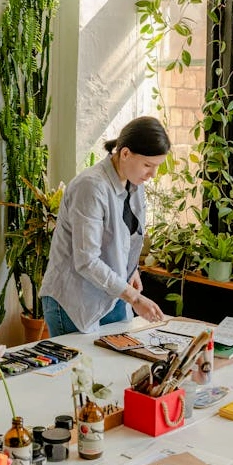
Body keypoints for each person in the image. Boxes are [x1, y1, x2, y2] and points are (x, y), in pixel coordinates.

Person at [40, 117, 171, 336]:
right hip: (75, 301)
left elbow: (127, 237)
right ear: (125, 153)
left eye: (157, 166)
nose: (153, 174)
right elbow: (87, 260)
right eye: (148, 165)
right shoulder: (91, 187)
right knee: (81, 370)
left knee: (117, 367)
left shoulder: (134, 184)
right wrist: (135, 298)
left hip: (114, 294)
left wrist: (131, 271)